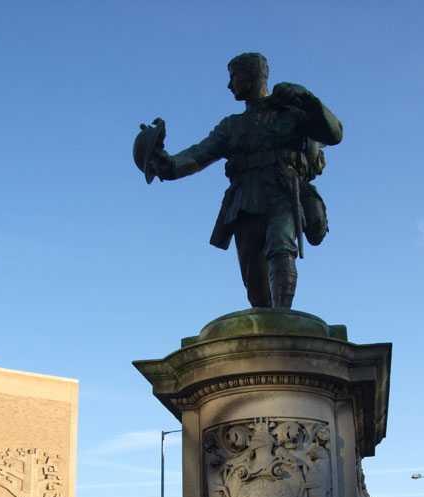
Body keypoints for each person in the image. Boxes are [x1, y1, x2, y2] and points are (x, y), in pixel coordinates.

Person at [139, 52, 343, 309]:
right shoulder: (231, 126)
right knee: (255, 283)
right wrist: (166, 165)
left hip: (283, 192)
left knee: (282, 246)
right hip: (245, 202)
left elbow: (334, 134)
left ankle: (283, 319)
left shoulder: (292, 114)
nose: (229, 85)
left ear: (252, 75)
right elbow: (199, 154)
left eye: (233, 77)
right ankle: (266, 328)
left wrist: (307, 99)